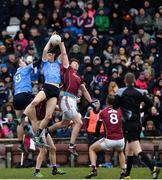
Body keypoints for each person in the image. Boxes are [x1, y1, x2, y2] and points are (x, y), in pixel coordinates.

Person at [22, 33, 66, 147]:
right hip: (47, 86)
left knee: (49, 117)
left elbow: (64, 53)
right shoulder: (45, 62)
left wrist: (61, 42)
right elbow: (45, 51)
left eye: (51, 55)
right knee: (35, 102)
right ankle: (23, 118)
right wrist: (51, 39)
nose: (50, 56)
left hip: (55, 90)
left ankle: (37, 135)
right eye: (49, 55)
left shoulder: (57, 63)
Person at [48, 54, 96, 156]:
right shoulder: (68, 69)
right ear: (70, 64)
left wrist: (91, 102)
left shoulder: (79, 77)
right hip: (67, 98)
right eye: (74, 63)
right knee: (79, 122)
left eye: (78, 64)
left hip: (73, 101)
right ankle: (71, 146)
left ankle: (45, 131)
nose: (76, 65)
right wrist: (61, 45)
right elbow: (64, 56)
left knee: (64, 124)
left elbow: (85, 91)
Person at [114, 72, 160, 179]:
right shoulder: (140, 92)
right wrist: (140, 110)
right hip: (137, 124)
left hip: (128, 125)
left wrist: (121, 104)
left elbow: (115, 106)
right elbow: (150, 103)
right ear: (134, 81)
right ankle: (127, 175)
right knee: (129, 151)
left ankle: (153, 168)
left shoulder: (120, 92)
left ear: (125, 81)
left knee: (137, 150)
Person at [85, 95, 126, 179]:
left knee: (92, 148)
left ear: (107, 102)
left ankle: (93, 169)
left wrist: (96, 136)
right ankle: (123, 171)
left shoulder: (103, 112)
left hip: (109, 139)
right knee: (120, 152)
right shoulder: (119, 111)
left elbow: (98, 126)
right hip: (120, 139)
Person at [13, 58, 34, 151]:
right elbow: (38, 63)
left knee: (19, 122)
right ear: (19, 64)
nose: (25, 62)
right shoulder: (25, 69)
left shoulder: (15, 75)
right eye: (23, 61)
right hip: (25, 95)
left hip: (16, 97)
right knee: (34, 119)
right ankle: (37, 139)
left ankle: (20, 144)